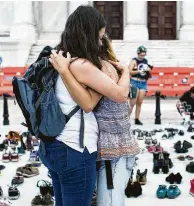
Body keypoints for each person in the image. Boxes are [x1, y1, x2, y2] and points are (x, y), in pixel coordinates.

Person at [39, 6, 133, 206]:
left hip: (52, 144)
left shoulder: (61, 56)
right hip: (75, 149)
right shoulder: (82, 65)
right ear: (89, 35)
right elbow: (120, 94)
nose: (101, 42)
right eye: (99, 37)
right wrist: (126, 72)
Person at [128, 46, 152, 125]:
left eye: (143, 55)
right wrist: (138, 71)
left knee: (140, 102)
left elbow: (148, 73)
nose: (142, 57)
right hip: (134, 82)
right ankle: (126, 119)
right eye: (141, 55)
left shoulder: (145, 61)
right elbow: (129, 71)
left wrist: (149, 70)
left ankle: (137, 118)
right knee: (132, 103)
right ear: (138, 54)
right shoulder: (134, 61)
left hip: (143, 82)